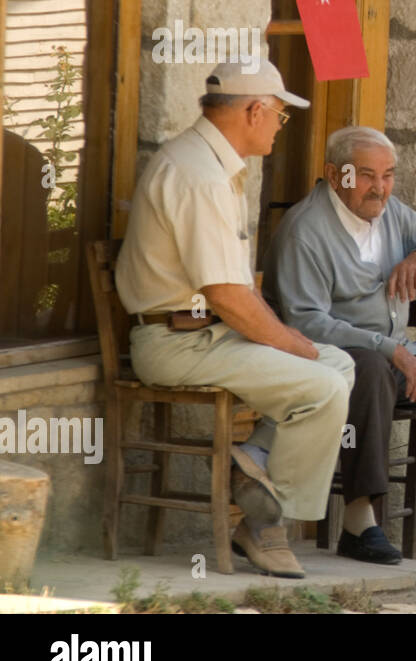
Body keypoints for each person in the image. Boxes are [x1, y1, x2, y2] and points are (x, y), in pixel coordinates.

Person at [116, 59, 355, 579]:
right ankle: (266, 524)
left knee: (339, 364)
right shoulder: (197, 173)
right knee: (324, 383)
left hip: (204, 334)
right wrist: (296, 346)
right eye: (279, 116)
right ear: (253, 110)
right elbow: (227, 295)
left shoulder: (210, 164)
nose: (278, 126)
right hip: (177, 342)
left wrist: (298, 345)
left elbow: (234, 294)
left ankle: (250, 465)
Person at [263, 126, 416, 581]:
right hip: (334, 359)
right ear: (333, 174)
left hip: (401, 354)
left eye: (387, 175)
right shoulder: (305, 230)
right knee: (373, 370)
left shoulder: (391, 213)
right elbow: (306, 321)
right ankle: (359, 521)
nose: (379, 188)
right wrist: (388, 349)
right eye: (365, 175)